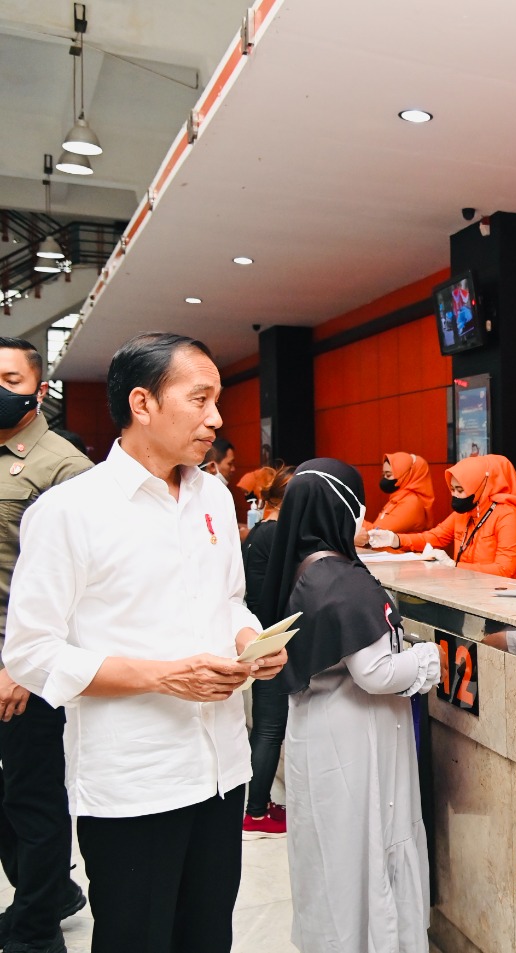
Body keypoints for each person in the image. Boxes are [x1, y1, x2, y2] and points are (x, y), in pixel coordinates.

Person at [2, 332, 287, 953]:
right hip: (134, 780)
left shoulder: (214, 496)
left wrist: (250, 638)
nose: (217, 419)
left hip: (220, 768)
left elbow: (228, 599)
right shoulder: (70, 511)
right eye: (200, 399)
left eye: (217, 401)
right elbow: (30, 651)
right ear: (142, 403)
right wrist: (162, 676)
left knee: (207, 936)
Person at [258, 458, 441, 953]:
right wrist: (429, 659)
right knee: (368, 849)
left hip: (315, 728)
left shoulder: (303, 570)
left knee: (330, 858)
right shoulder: (342, 579)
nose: (363, 517)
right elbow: (375, 673)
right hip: (356, 736)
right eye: (358, 506)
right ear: (340, 508)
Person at [0, 338, 91, 953]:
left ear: (39, 389)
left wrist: (21, 668)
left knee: (32, 796)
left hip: (23, 659)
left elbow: (77, 589)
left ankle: (36, 931)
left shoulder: (64, 469)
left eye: (10, 379)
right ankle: (50, 891)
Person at [369, 454, 516, 581]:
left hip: (511, 595)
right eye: (452, 489)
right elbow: (435, 537)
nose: (455, 496)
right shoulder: (464, 513)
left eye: (460, 490)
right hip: (474, 587)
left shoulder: (508, 516)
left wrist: (454, 565)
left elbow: (504, 570)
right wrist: (395, 539)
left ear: (479, 487)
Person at [240, 465, 295, 838]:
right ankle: (256, 812)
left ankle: (257, 804)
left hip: (262, 636)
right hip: (270, 640)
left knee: (265, 727)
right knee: (270, 729)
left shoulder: (261, 531)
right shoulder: (275, 534)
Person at [354, 452, 435, 547]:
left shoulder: (411, 502)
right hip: (384, 552)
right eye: (383, 475)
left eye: (388, 475)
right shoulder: (397, 498)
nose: (384, 479)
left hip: (399, 554)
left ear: (405, 475)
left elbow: (379, 533)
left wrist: (353, 519)